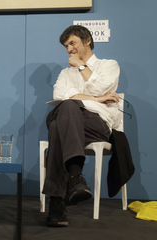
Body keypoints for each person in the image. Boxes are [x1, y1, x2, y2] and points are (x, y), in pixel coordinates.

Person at [43, 25, 122, 227]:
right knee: (67, 108)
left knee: (57, 127)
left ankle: (57, 202)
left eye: (72, 43)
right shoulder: (64, 73)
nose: (69, 49)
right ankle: (75, 178)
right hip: (69, 120)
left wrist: (80, 65)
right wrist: (98, 98)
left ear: (87, 41)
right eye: (66, 46)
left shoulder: (109, 65)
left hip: (96, 124)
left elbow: (100, 85)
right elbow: (59, 96)